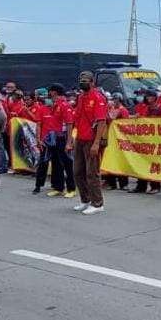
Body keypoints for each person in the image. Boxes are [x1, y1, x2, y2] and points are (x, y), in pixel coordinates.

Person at [69, 71, 108, 215]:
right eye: (81, 80)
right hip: (80, 138)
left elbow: (101, 121)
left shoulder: (98, 98)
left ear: (92, 82)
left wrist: (97, 143)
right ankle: (85, 200)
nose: (82, 82)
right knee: (77, 171)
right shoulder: (81, 97)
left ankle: (97, 203)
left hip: (92, 139)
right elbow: (76, 120)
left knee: (92, 173)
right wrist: (72, 139)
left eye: (85, 80)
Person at [130, 90, 161, 195]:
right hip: (145, 139)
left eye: (149, 96)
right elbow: (143, 119)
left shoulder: (160, 108)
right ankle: (141, 185)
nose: (147, 98)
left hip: (155, 140)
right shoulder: (147, 108)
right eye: (147, 96)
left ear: (154, 97)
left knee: (153, 164)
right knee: (141, 162)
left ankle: (155, 186)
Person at [103, 93, 131, 191]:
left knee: (121, 161)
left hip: (119, 138)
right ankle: (112, 183)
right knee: (110, 160)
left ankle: (124, 183)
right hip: (110, 138)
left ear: (120, 100)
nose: (113, 101)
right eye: (112, 99)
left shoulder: (123, 110)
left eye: (115, 99)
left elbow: (124, 123)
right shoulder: (110, 109)